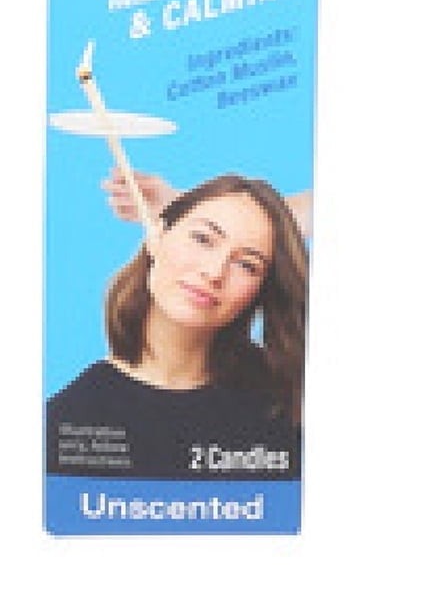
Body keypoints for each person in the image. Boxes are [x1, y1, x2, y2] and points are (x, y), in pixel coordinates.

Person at [45, 173, 308, 482]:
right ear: (156, 236)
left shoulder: (289, 406)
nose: (214, 272)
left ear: (261, 290)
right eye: (203, 239)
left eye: (247, 265)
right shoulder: (67, 420)